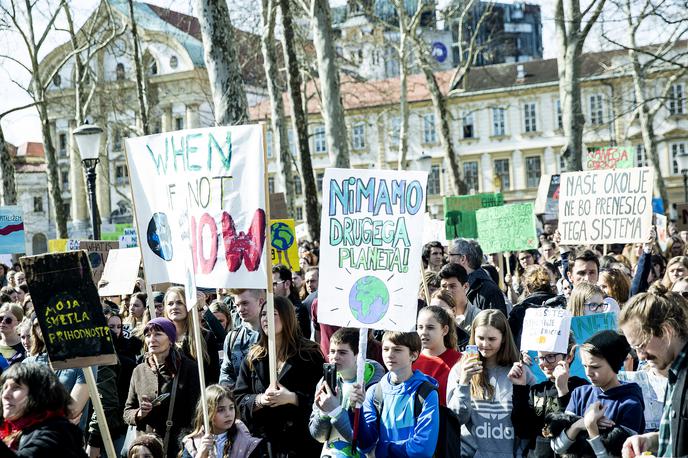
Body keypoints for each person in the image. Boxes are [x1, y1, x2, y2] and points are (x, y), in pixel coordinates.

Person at [234, 296, 324, 456]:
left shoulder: (310, 354)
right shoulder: (253, 357)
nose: (265, 319)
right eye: (263, 314)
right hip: (265, 446)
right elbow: (239, 399)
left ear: (286, 316)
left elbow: (323, 400)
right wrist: (260, 400)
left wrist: (293, 398)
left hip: (301, 445)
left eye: (272, 313)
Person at [619, 285, 688, 458]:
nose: (640, 357)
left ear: (666, 331)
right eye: (635, 349)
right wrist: (652, 440)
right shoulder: (675, 372)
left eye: (641, 345)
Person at [552, 330, 645, 457]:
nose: (588, 373)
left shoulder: (630, 403)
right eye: (585, 366)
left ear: (614, 364)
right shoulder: (579, 394)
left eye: (595, 367)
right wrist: (580, 424)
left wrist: (592, 428)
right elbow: (557, 447)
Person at [447, 309, 525, 457]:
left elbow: (527, 424)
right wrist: (464, 383)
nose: (485, 344)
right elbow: (456, 419)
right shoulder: (460, 370)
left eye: (492, 339)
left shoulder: (520, 371)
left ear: (503, 338)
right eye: (480, 338)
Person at [123, 317, 201, 458]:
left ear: (170, 339)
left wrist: (186, 445)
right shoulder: (139, 370)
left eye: (158, 334)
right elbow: (127, 411)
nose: (152, 339)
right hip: (146, 450)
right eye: (148, 335)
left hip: (178, 448)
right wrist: (140, 413)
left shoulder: (189, 368)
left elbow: (196, 413)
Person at [357, 331, 440, 457]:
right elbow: (365, 445)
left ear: (413, 355)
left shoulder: (427, 393)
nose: (390, 355)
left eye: (397, 350)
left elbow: (423, 449)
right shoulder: (374, 392)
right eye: (386, 349)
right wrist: (354, 410)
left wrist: (381, 451)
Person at [309, 327, 384, 457]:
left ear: (358, 355)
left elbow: (364, 442)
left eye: (342, 353)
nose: (335, 357)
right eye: (332, 351)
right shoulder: (325, 382)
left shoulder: (373, 384)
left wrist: (336, 411)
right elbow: (318, 436)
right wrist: (323, 413)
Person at [510, 335, 589, 457]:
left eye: (551, 356)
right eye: (541, 358)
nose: (544, 363)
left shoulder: (582, 389)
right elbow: (522, 430)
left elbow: (574, 430)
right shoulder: (537, 390)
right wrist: (519, 387)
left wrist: (563, 390)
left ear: (569, 356)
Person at [0, 363, 87, 457]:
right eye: (5, 388)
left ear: (38, 394)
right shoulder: (16, 430)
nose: (5, 395)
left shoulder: (55, 433)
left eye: (16, 387)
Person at [23, 314, 89, 427]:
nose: (43, 327)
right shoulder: (27, 364)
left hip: (67, 440)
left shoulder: (83, 362)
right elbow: (20, 409)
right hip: (31, 438)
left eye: (49, 321)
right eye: (37, 325)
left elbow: (72, 411)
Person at [181, 384, 263, 458]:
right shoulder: (193, 443)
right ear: (207, 412)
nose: (228, 414)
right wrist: (201, 454)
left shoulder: (246, 442)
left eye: (231, 407)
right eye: (220, 410)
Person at [163, 287, 220, 385]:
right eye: (170, 304)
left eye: (180, 303)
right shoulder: (161, 337)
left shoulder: (205, 336)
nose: (174, 307)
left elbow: (213, 376)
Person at [413, 305, 461, 406]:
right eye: (420, 327)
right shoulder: (411, 360)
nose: (424, 332)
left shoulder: (459, 360)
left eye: (430, 328)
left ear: (444, 330)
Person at [448, 239, 507, 315]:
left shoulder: (489, 290)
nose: (448, 259)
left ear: (463, 259)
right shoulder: (459, 285)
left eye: (451, 255)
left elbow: (496, 324)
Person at [219, 289, 263, 389]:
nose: (240, 309)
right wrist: (226, 384)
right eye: (237, 305)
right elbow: (226, 370)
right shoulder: (232, 337)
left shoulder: (275, 335)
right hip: (239, 400)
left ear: (260, 301)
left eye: (245, 303)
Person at [508, 265, 559, 349]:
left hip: (527, 357)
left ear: (528, 287)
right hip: (557, 356)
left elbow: (511, 340)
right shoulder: (559, 303)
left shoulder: (519, 310)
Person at [438, 263, 479, 333]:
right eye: (444, 287)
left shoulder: (478, 318)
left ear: (465, 287)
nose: (447, 290)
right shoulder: (437, 318)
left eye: (452, 286)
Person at [272, 264, 311, 339]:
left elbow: (301, 338)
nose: (271, 288)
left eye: (274, 284)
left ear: (287, 284)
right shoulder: (269, 307)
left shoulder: (298, 309)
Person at [0, 304, 26, 369]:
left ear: (19, 322)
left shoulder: (26, 345)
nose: (3, 322)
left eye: (8, 320)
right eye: (0, 318)